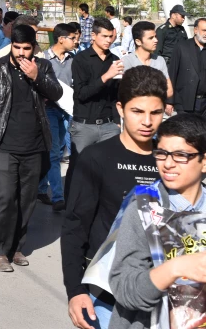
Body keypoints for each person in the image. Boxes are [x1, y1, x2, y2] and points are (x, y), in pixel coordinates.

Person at [61, 66, 166, 329]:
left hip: (162, 294)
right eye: (137, 111)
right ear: (120, 109)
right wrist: (75, 291)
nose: (147, 122)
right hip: (105, 293)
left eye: (156, 112)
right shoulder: (96, 158)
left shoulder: (173, 160)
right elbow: (75, 227)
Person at [0, 24, 63, 272]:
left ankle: (15, 247)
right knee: (3, 199)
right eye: (16, 48)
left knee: (26, 200)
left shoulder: (43, 67)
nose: (21, 53)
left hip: (34, 146)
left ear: (34, 48)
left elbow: (57, 92)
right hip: (3, 146)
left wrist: (36, 77)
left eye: (26, 49)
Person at [106, 113, 206, 329]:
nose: (168, 163)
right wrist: (174, 268)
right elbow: (125, 289)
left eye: (181, 155)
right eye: (161, 153)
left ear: (204, 162)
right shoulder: (143, 208)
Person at [36, 23, 76, 212]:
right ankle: (58, 197)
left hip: (67, 110)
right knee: (53, 154)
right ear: (61, 39)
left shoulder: (73, 59)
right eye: (72, 38)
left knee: (61, 150)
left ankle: (41, 187)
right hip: (49, 110)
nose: (75, 41)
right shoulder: (43, 59)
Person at [71, 18, 122, 158]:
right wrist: (106, 76)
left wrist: (117, 122)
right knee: (79, 169)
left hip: (109, 125)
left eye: (111, 36)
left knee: (107, 169)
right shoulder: (81, 59)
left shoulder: (114, 60)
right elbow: (81, 93)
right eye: (104, 36)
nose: (108, 40)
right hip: (84, 125)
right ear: (93, 36)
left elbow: (116, 95)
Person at [166, 17, 206, 117]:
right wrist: (169, 101)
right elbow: (172, 74)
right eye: (204, 30)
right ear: (196, 30)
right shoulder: (182, 47)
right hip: (185, 102)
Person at [122, 21, 172, 96]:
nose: (156, 40)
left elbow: (169, 90)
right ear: (138, 42)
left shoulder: (160, 60)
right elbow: (127, 92)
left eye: (155, 37)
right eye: (151, 38)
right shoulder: (126, 62)